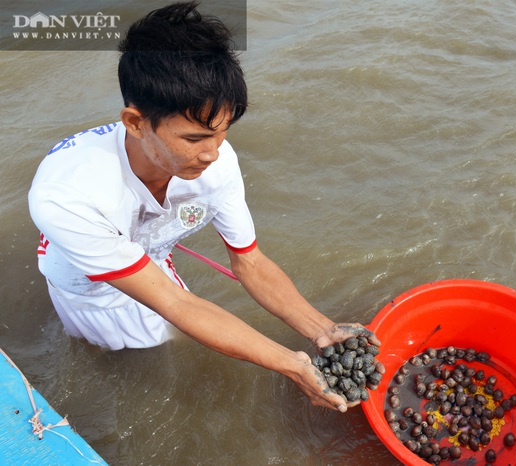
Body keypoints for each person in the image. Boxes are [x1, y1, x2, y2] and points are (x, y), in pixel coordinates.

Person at [28, 1, 382, 413]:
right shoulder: (69, 196)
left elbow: (249, 262)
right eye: (195, 139)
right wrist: (292, 366)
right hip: (91, 286)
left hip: (150, 255)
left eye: (222, 132)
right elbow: (177, 303)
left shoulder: (217, 160)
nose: (213, 154)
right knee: (135, 346)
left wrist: (322, 328)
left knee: (167, 326)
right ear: (136, 122)